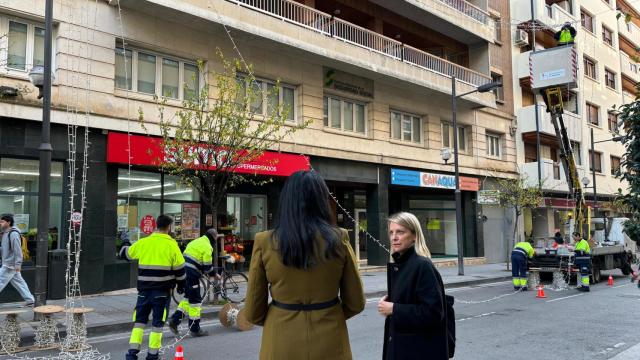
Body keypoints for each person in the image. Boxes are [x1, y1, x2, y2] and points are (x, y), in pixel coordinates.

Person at [244, 170, 365, 360]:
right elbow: (356, 302)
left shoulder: (264, 241)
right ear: (322, 200)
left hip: (280, 340)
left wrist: (279, 317)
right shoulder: (339, 238)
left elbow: (253, 312)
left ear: (286, 201)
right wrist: (329, 313)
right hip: (330, 338)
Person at [378, 212, 448, 360]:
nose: (394, 237)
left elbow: (434, 313)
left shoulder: (422, 266)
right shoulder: (401, 264)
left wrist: (394, 308)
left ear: (414, 235)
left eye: (400, 232)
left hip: (417, 350)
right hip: (405, 347)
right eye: (391, 232)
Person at [120, 215, 186, 360]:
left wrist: (125, 241)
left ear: (157, 225)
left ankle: (131, 355)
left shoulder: (144, 242)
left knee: (139, 323)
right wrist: (181, 285)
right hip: (162, 293)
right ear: (169, 227)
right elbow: (180, 270)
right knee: (157, 325)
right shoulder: (172, 245)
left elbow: (125, 254)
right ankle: (152, 356)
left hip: (143, 292)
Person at [168, 228, 219, 337]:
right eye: (216, 238)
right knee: (195, 301)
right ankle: (194, 329)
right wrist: (215, 274)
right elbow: (207, 267)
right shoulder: (208, 247)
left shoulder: (196, 241)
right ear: (214, 238)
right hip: (191, 274)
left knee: (188, 298)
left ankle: (174, 320)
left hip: (183, 272)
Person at [0, 214, 34, 306]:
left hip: (9, 265)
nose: (0, 223)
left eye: (2, 221)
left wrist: (18, 264)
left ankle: (30, 300)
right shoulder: (5, 233)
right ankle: (30, 300)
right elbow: (6, 249)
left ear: (8, 222)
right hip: (9, 263)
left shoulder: (13, 234)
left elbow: (17, 250)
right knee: (20, 283)